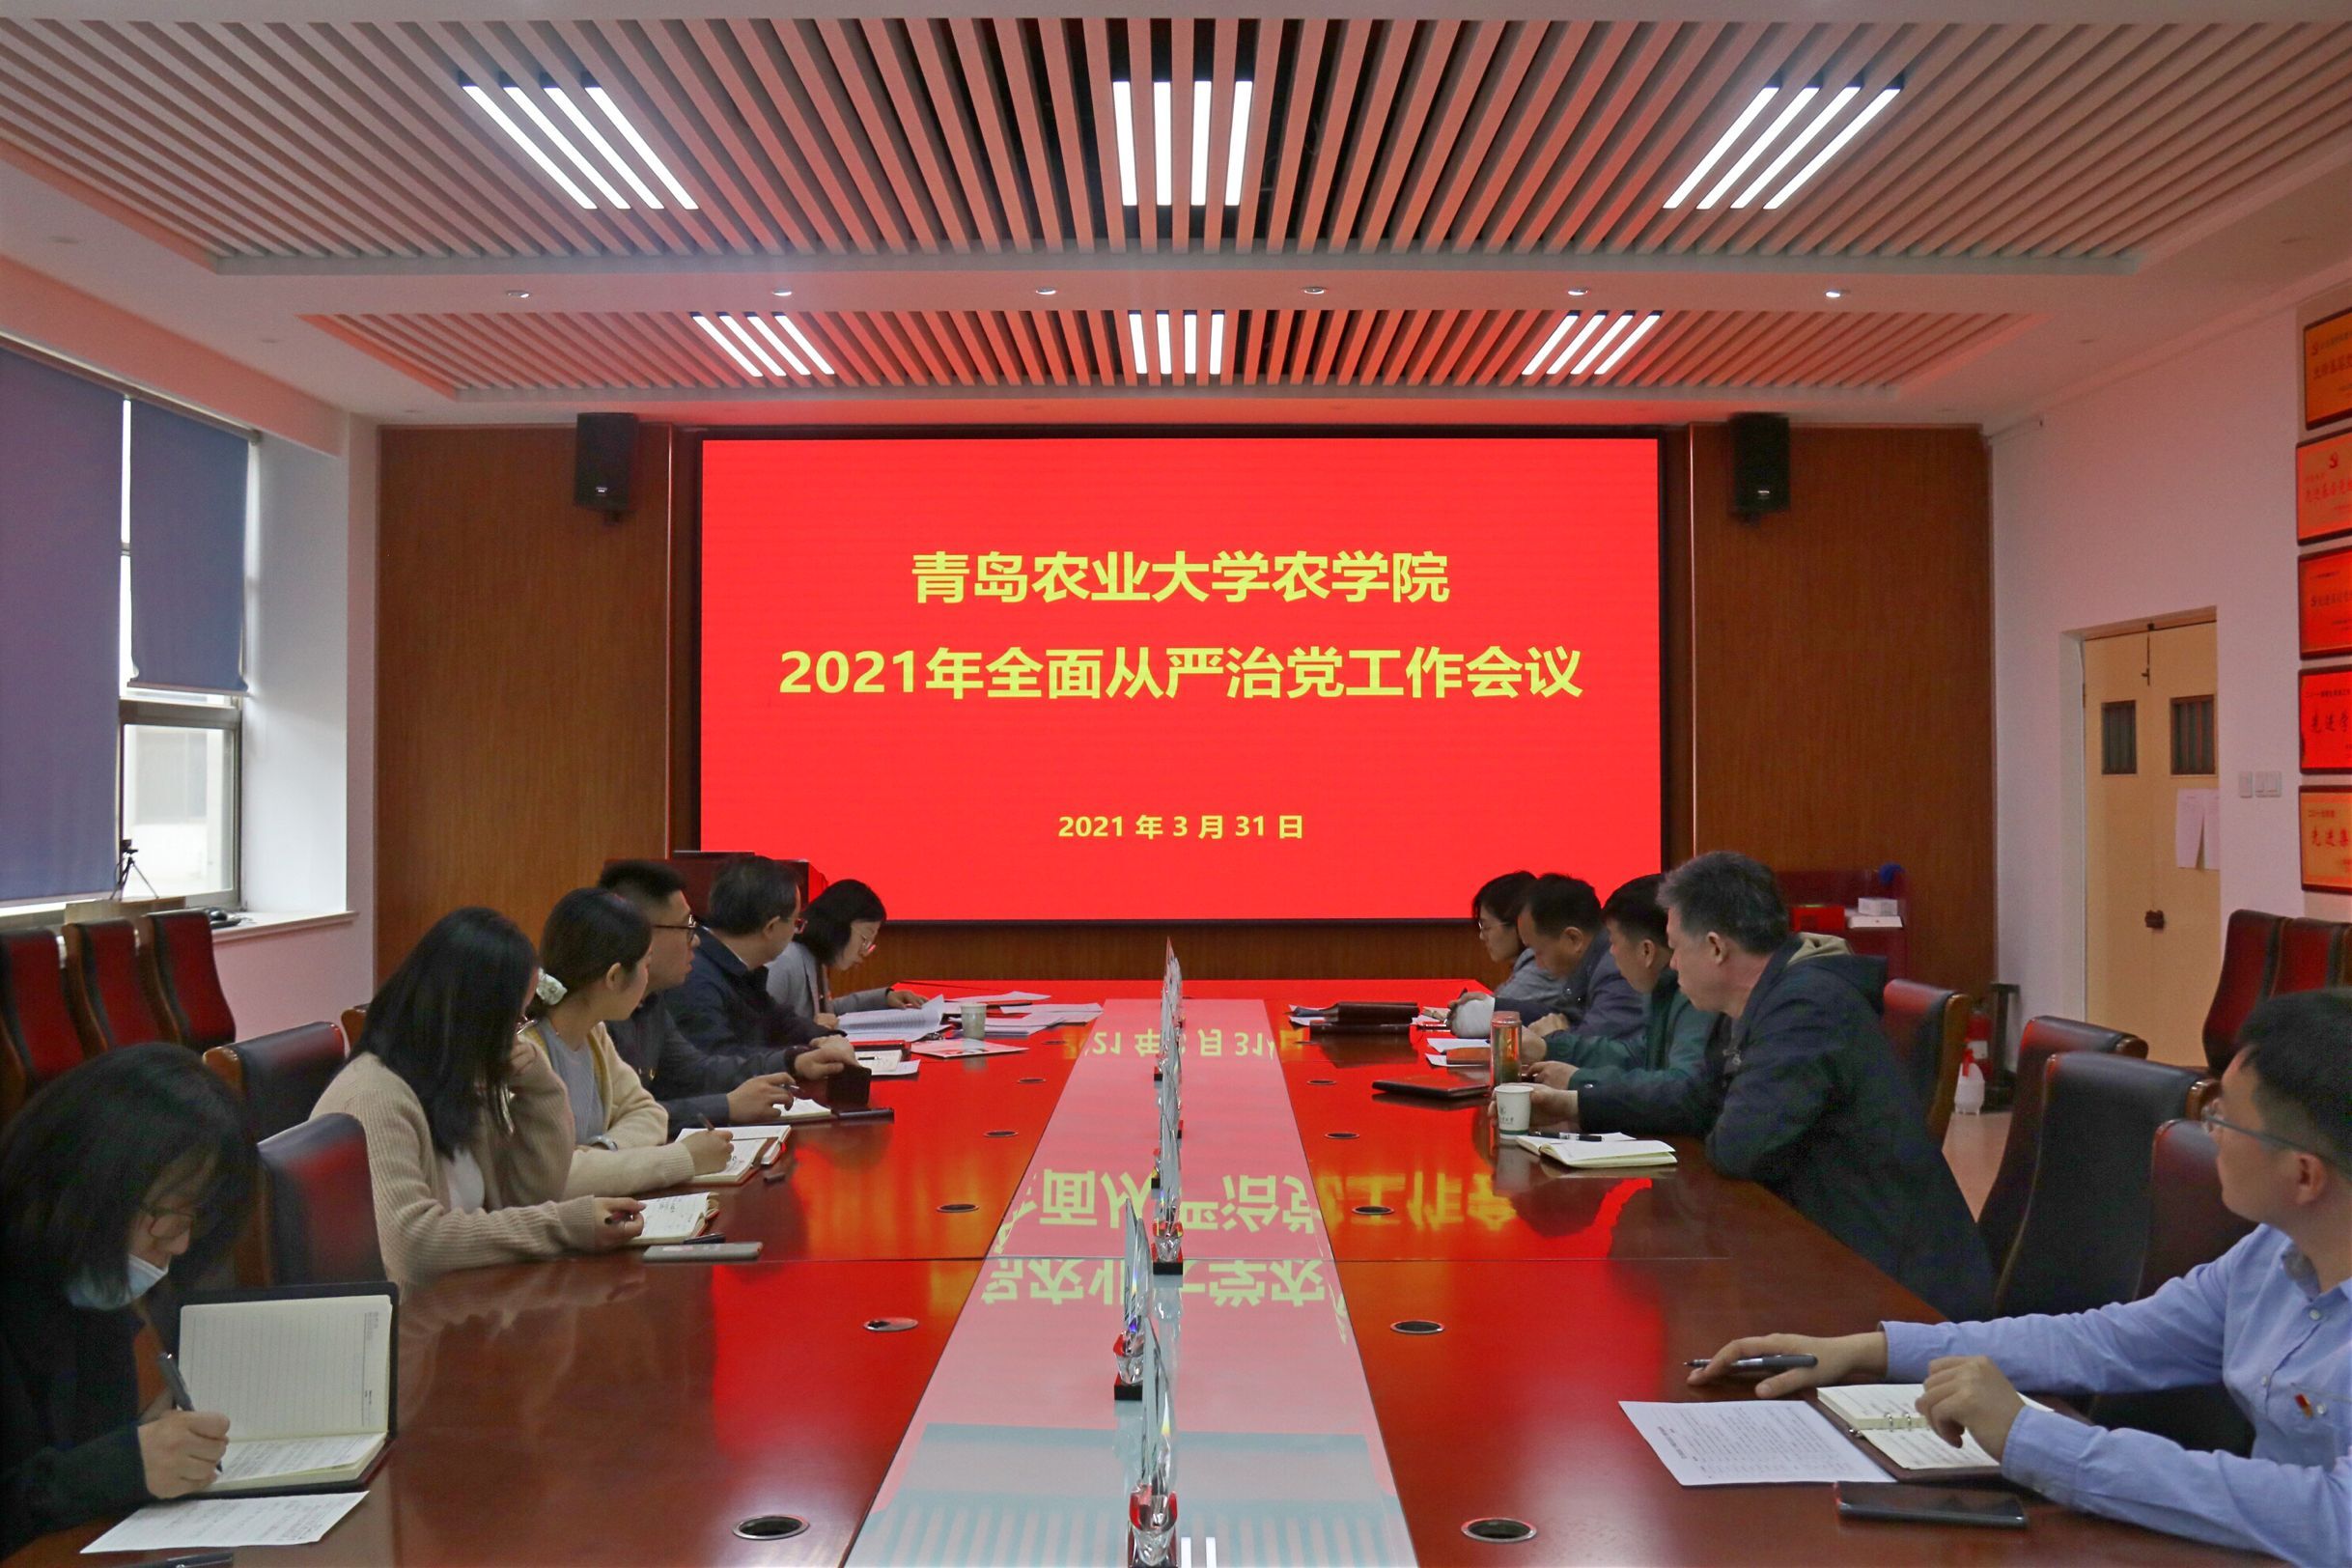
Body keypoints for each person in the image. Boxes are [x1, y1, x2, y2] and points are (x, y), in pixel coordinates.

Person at [1692, 991, 2350, 1566]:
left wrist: (2035, 1438)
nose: (2211, 1135)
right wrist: (1875, 1350)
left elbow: (2331, 1518)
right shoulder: (2270, 1254)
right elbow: (2107, 1341)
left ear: (2303, 1175)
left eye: (2225, 1120)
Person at [1527, 851, 1993, 1319]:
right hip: (1824, 1252)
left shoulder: (1805, 1009)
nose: (1673, 965)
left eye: (1677, 947)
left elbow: (1740, 1147)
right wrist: (1576, 1102)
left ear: (1716, 948)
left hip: (1889, 1284)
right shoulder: (1759, 1000)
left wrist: (1712, 1111)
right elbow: (1695, 1097)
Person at [1, 1047, 257, 1555]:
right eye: (169, 1218)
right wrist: (121, 1466)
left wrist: (147, 1450)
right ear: (91, 1182)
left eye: (193, 1221)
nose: (180, 1245)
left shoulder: (92, 1283)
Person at [312, 908, 648, 1292]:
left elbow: (526, 1201)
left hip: (467, 1303)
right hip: (408, 1317)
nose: (516, 1036)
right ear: (473, 1017)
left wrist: (541, 1088)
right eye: (514, 1020)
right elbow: (415, 1244)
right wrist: (566, 1225)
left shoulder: (455, 1083)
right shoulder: (374, 1096)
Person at [524, 888, 729, 1195]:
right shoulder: (524, 1054)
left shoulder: (593, 1034)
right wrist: (683, 1158)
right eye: (646, 964)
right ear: (615, 977)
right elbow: (554, 1180)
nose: (647, 977)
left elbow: (649, 1112)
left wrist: (603, 1154)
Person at [597, 860, 815, 1128]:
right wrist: (726, 1106)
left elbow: (696, 1072)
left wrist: (791, 1060)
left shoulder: (650, 1002)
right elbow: (612, 1120)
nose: (697, 939)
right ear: (640, 933)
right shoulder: (596, 1012)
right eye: (686, 927)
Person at [1525, 875, 1717, 1097]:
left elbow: (1681, 1089)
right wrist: (1550, 1048)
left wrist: (1579, 1083)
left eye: (1613, 942)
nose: (1611, 952)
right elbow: (1637, 1055)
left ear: (1646, 951)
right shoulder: (1663, 990)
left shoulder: (1695, 996)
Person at [663, 855, 854, 1068]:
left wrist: (828, 1038)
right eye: (796, 922)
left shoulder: (736, 966)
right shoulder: (694, 976)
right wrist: (796, 1058)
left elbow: (780, 1023)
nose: (796, 931)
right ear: (771, 927)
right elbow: (717, 1058)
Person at [768, 878, 927, 1026]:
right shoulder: (785, 961)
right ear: (839, 924)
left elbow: (827, 1012)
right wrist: (808, 1031)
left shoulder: (813, 958)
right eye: (865, 939)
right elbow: (756, 1033)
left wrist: (884, 998)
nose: (864, 952)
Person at [1514, 873, 1644, 1043]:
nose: (1538, 964)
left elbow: (1595, 1048)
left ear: (1573, 939)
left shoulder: (1617, 969)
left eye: (1539, 951)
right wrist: (1493, 1008)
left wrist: (1554, 1037)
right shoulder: (1591, 964)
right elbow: (1563, 1017)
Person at [1456, 870, 1576, 1024]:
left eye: (1486, 926)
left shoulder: (1540, 965)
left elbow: (1490, 1018)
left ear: (1518, 923)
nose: (1482, 936)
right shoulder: (1531, 961)